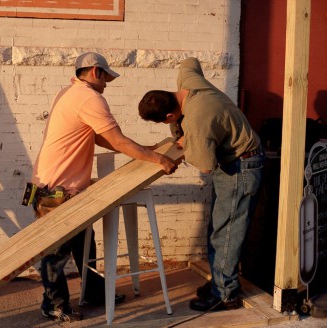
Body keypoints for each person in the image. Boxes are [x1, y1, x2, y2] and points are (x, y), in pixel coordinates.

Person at [31, 52, 178, 322]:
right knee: (56, 254)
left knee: (85, 246)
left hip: (62, 190)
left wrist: (144, 149)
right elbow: (118, 141)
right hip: (56, 193)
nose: (107, 84)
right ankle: (54, 305)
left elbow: (100, 137)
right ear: (96, 72)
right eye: (106, 78)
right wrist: (158, 159)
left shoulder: (69, 93)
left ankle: (94, 293)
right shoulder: (90, 98)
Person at [138, 57, 265, 312]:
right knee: (217, 230)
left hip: (241, 167)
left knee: (226, 232)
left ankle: (226, 295)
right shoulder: (188, 82)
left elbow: (205, 165)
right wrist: (186, 135)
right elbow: (190, 62)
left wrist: (189, 142)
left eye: (167, 121)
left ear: (171, 114)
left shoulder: (198, 120)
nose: (170, 124)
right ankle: (220, 282)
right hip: (233, 163)